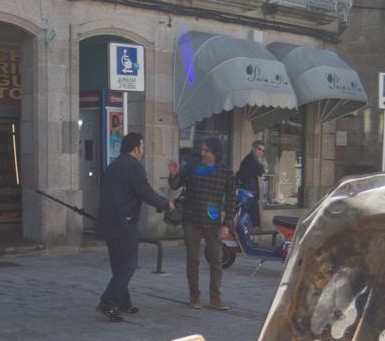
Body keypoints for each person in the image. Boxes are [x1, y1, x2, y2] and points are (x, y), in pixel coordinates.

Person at [95, 132, 169, 321]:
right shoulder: (134, 166)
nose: (143, 152)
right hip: (124, 223)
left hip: (108, 222)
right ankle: (108, 303)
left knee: (119, 266)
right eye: (142, 148)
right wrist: (165, 203)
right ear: (136, 148)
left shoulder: (113, 165)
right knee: (128, 266)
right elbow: (145, 192)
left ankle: (124, 304)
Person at [169, 138, 235, 311]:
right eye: (202, 150)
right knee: (193, 260)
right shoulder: (192, 166)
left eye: (206, 150)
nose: (202, 153)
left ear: (215, 153)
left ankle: (215, 297)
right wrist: (174, 174)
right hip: (191, 218)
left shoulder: (225, 172)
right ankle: (194, 296)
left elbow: (231, 199)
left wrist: (227, 223)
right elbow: (175, 185)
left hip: (212, 220)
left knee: (216, 260)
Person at [234, 139, 267, 224]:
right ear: (253, 148)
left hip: (249, 194)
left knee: (249, 222)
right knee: (251, 222)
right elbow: (243, 176)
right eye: (259, 149)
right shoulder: (251, 160)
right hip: (248, 195)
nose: (261, 152)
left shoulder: (253, 160)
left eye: (263, 150)